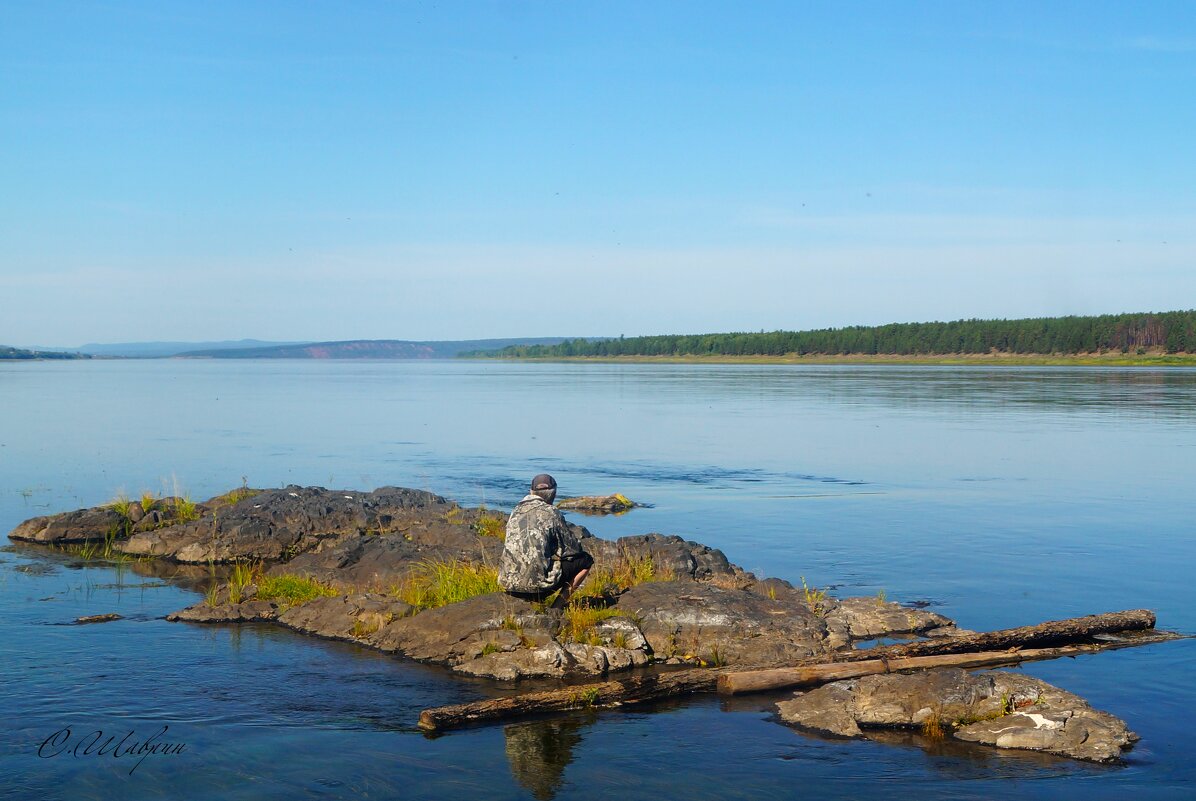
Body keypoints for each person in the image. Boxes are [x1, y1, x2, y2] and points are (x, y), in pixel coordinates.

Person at [498, 474, 593, 608]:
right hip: (537, 586)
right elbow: (572, 549)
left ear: (531, 491)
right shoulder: (551, 512)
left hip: (508, 583)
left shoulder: (515, 511)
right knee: (586, 560)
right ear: (553, 493)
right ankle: (557, 608)